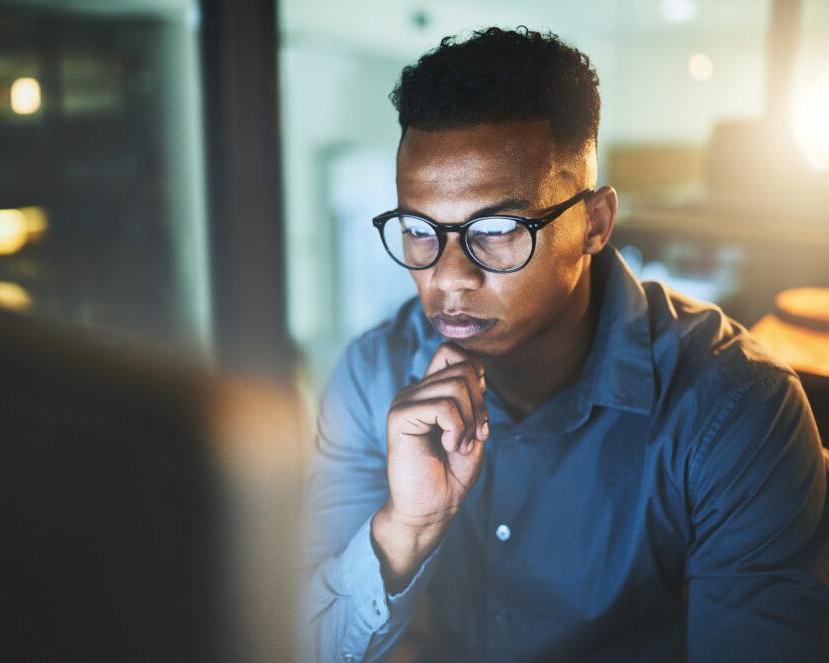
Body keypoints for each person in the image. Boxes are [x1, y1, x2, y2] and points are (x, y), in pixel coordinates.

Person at [299, 27, 829, 662]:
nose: (447, 276)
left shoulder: (737, 409)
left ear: (595, 224)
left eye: (495, 229)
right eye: (419, 229)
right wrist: (405, 529)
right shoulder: (371, 375)